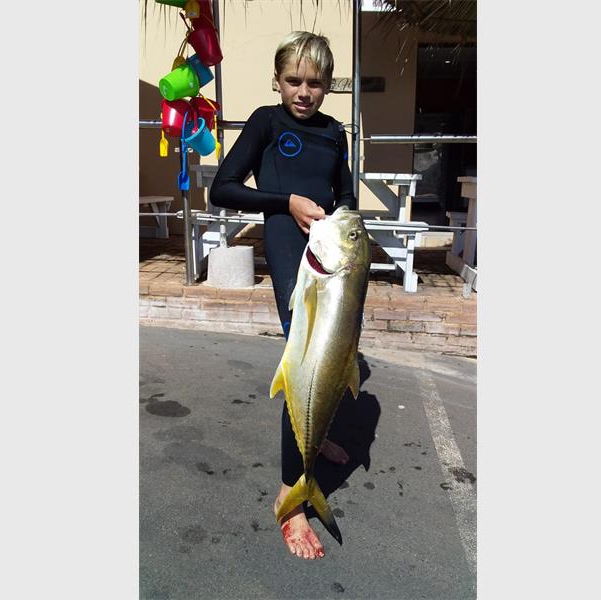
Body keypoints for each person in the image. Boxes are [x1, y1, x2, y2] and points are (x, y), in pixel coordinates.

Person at [210, 31, 355, 560]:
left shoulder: (335, 133)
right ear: (277, 80)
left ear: (326, 87)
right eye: (293, 80)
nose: (303, 91)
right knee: (303, 363)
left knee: (334, 359)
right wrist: (286, 201)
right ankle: (291, 494)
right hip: (295, 262)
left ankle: (312, 438)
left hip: (330, 263)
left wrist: (342, 226)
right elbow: (222, 187)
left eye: (315, 83)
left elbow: (347, 197)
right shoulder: (266, 122)